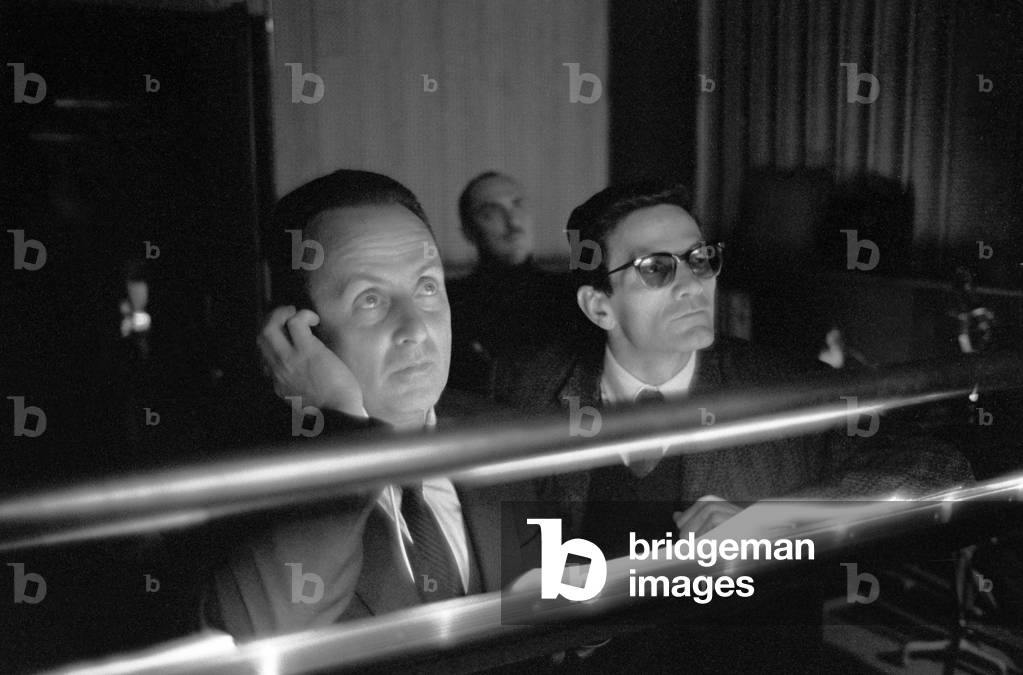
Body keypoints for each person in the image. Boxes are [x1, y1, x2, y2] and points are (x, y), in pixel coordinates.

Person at [493, 180, 973, 672]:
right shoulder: (530, 385)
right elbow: (509, 556)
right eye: (656, 268)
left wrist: (773, 523)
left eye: (699, 259)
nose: (691, 285)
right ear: (600, 306)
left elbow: (940, 469)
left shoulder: (782, 388)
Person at [203, 170, 540, 639]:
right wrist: (339, 416)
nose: (415, 328)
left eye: (426, 287)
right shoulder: (242, 473)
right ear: (300, 330)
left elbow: (549, 629)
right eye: (370, 299)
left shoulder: (509, 435)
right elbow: (259, 636)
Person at [446, 171, 575, 394]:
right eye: (490, 212)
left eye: (518, 204)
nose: (512, 221)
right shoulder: (451, 305)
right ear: (468, 231)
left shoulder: (571, 294)